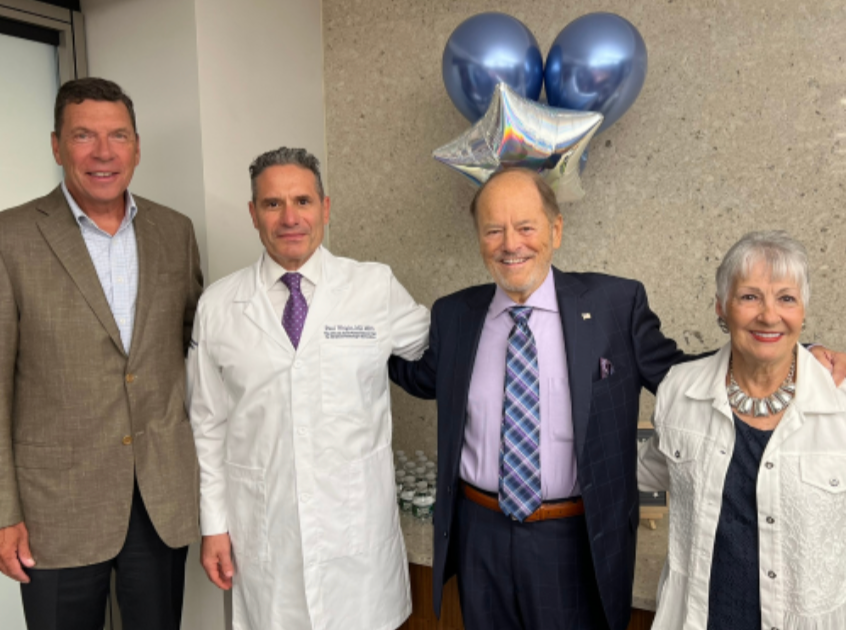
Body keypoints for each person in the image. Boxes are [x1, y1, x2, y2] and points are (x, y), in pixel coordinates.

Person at [388, 169, 846, 630]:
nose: (511, 244)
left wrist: (788, 351)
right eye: (494, 230)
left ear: (556, 230)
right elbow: (421, 376)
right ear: (479, 239)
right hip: (479, 536)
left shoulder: (614, 304)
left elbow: (684, 374)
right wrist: (358, 348)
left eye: (526, 227)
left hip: (575, 541)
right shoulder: (455, 314)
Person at [187, 147, 429, 630]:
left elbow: (444, 349)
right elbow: (207, 425)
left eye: (302, 201)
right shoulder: (218, 305)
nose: (290, 218)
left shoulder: (373, 287)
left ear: (325, 207)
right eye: (273, 204)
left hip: (357, 538)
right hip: (266, 535)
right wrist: (213, 526)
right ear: (253, 213)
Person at [0, 78, 203, 630]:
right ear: (56, 145)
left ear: (137, 147)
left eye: (118, 136)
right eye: (83, 135)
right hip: (54, 508)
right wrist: (4, 512)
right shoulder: (10, 237)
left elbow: (197, 350)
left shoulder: (175, 232)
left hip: (159, 499)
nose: (103, 152)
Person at [638, 230, 846, 629]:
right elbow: (646, 471)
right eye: (750, 297)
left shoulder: (838, 402)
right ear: (721, 306)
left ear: (803, 309)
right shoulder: (680, 390)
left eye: (786, 298)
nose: (769, 315)